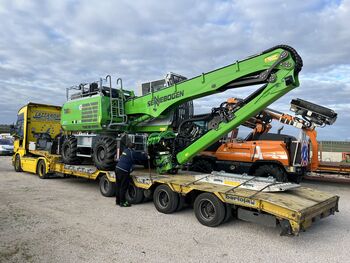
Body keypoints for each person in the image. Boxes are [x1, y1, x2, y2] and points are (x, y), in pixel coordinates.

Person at [115, 142, 149, 207]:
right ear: (134, 147)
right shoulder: (132, 153)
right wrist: (147, 156)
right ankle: (122, 202)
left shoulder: (125, 151)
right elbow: (140, 157)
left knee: (118, 186)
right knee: (123, 187)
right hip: (124, 171)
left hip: (117, 168)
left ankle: (117, 201)